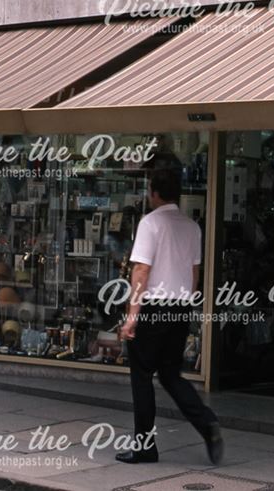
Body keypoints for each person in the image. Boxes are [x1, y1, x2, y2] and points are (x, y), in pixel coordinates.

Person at [116, 169, 224, 465]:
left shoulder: (150, 223)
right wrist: (185, 303)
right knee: (170, 374)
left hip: (153, 306)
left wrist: (131, 316)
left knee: (141, 375)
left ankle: (145, 446)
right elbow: (194, 272)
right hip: (180, 306)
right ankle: (207, 423)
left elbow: (141, 271)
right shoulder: (192, 227)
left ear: (154, 193)